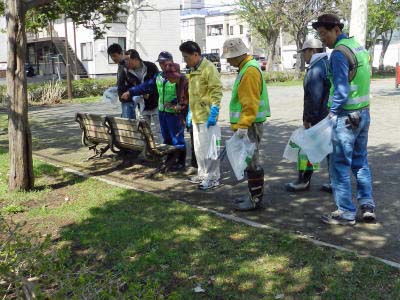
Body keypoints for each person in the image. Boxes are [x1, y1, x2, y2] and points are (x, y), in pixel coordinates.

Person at [313, 13, 376, 225]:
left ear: (336, 30)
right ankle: (367, 205)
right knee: (360, 162)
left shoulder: (339, 53)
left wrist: (332, 114)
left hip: (346, 117)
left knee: (339, 165)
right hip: (363, 113)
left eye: (324, 34)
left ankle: (346, 212)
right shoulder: (358, 47)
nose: (323, 39)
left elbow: (341, 89)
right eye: (320, 35)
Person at [221, 38, 271, 210]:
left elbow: (250, 103)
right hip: (249, 124)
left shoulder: (249, 71)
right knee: (250, 161)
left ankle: (255, 199)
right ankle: (253, 195)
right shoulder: (247, 67)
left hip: (249, 125)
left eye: (228, 57)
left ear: (237, 55)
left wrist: (242, 126)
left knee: (252, 162)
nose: (227, 60)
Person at [121, 52, 188, 170]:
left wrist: (175, 103)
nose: (162, 65)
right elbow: (145, 86)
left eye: (164, 62)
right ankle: (169, 159)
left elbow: (185, 95)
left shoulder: (179, 77)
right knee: (166, 137)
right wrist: (131, 92)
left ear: (171, 61)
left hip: (175, 114)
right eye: (161, 63)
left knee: (177, 138)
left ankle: (180, 162)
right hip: (162, 112)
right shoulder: (158, 76)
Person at [285, 38, 332, 193]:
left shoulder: (316, 69)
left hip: (318, 117)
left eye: (304, 52)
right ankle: (335, 181)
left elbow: (314, 97)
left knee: (305, 149)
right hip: (330, 115)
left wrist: (308, 119)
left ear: (312, 50)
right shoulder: (328, 64)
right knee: (331, 150)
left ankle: (303, 180)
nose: (303, 55)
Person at [179, 41, 223, 190]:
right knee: (199, 149)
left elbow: (216, 92)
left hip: (208, 117)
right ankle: (203, 174)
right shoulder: (193, 70)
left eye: (186, 57)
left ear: (196, 55)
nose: (185, 60)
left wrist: (214, 112)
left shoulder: (209, 69)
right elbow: (194, 93)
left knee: (210, 150)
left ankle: (213, 177)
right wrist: (190, 112)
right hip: (197, 115)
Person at [122, 49, 161, 140]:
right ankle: (147, 151)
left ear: (135, 59)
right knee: (144, 132)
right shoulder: (127, 71)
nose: (125, 62)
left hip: (156, 103)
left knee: (160, 130)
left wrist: (147, 93)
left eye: (127, 60)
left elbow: (155, 83)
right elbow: (127, 86)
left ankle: (161, 151)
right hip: (142, 105)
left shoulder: (150, 66)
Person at [107, 43, 132, 118]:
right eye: (111, 56)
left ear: (121, 53)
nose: (113, 58)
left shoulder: (127, 65)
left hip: (129, 100)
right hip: (124, 99)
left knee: (129, 126)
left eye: (114, 55)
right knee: (126, 124)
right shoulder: (120, 65)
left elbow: (132, 81)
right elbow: (121, 80)